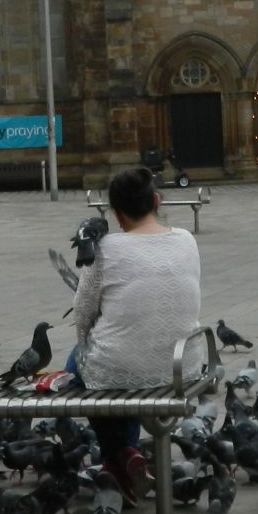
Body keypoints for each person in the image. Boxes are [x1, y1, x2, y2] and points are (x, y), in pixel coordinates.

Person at [71, 165, 204, 497]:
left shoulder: (106, 249)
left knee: (84, 364)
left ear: (116, 214)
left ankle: (121, 455)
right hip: (182, 366)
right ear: (156, 200)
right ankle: (123, 463)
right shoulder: (187, 240)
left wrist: (87, 342)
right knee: (118, 363)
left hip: (122, 368)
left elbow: (82, 314)